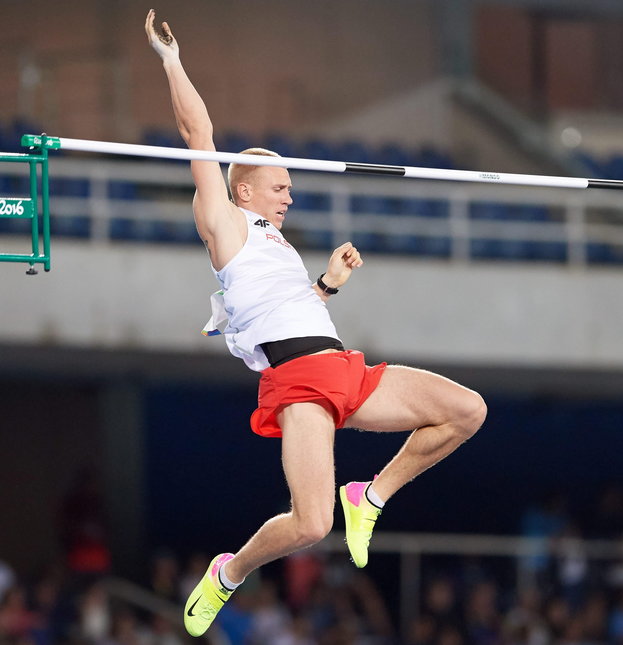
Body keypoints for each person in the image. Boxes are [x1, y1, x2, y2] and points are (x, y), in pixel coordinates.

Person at [144, 9, 487, 638]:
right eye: (280, 186)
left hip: (340, 365)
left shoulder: (276, 247)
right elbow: (199, 133)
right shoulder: (224, 226)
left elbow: (289, 313)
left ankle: (372, 496)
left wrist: (325, 285)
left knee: (467, 411)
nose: (290, 197)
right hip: (299, 385)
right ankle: (229, 572)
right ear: (242, 191)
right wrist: (171, 61)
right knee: (309, 526)